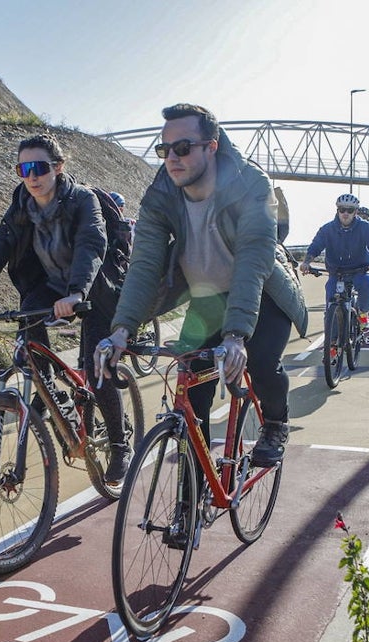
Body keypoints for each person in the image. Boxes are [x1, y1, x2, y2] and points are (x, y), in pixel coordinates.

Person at [96, 103, 308, 470]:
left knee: (262, 363)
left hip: (260, 292)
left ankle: (275, 424)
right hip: (207, 300)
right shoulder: (160, 195)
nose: (172, 159)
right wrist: (121, 329)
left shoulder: (249, 184)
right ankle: (194, 485)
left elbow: (252, 260)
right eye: (164, 150)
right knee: (192, 387)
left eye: (183, 148)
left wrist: (237, 334)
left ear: (211, 146)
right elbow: (144, 265)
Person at [0, 133, 133, 484]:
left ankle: (121, 444)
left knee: (96, 366)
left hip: (95, 286)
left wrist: (77, 291)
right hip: (50, 285)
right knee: (29, 337)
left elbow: (92, 243)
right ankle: (51, 394)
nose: (31, 176)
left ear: (58, 168)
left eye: (39, 167)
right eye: (23, 168)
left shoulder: (83, 200)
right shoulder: (22, 205)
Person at [298, 193, 369, 325]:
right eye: (342, 209)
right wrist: (306, 262)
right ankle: (331, 341)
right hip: (337, 273)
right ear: (337, 211)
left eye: (350, 210)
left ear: (356, 212)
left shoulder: (365, 227)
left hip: (360, 270)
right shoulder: (327, 229)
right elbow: (315, 246)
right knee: (331, 302)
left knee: (368, 284)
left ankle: (362, 315)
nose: (345, 213)